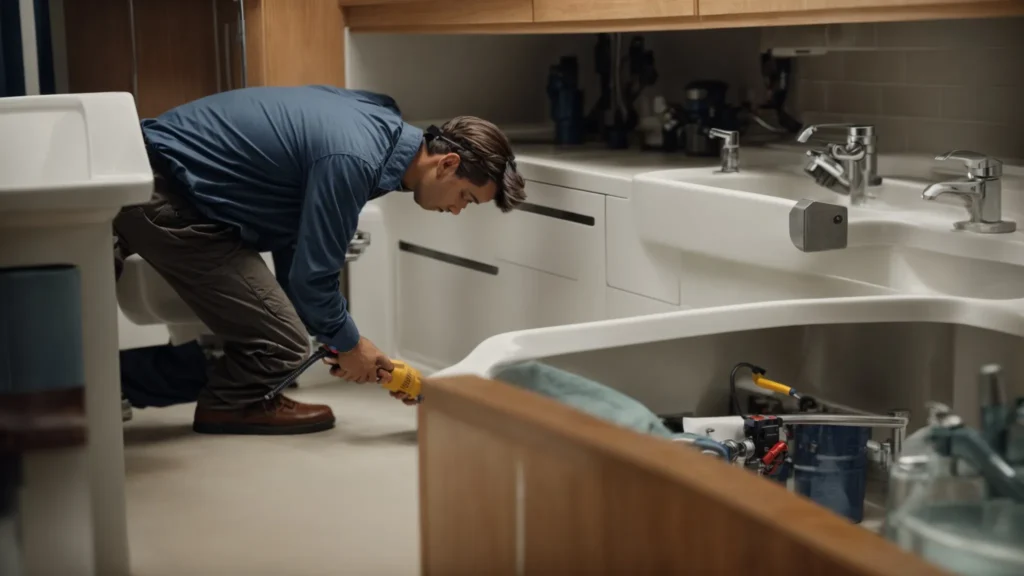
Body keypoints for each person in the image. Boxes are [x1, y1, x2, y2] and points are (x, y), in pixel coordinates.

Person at [113, 85, 526, 435]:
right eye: (465, 198)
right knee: (283, 347)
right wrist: (350, 343)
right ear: (448, 163)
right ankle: (218, 399)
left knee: (289, 331)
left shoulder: (379, 125)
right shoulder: (355, 159)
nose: (456, 210)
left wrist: (347, 345)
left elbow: (298, 241)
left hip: (152, 171)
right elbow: (313, 280)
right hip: (169, 192)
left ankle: (94, 382)